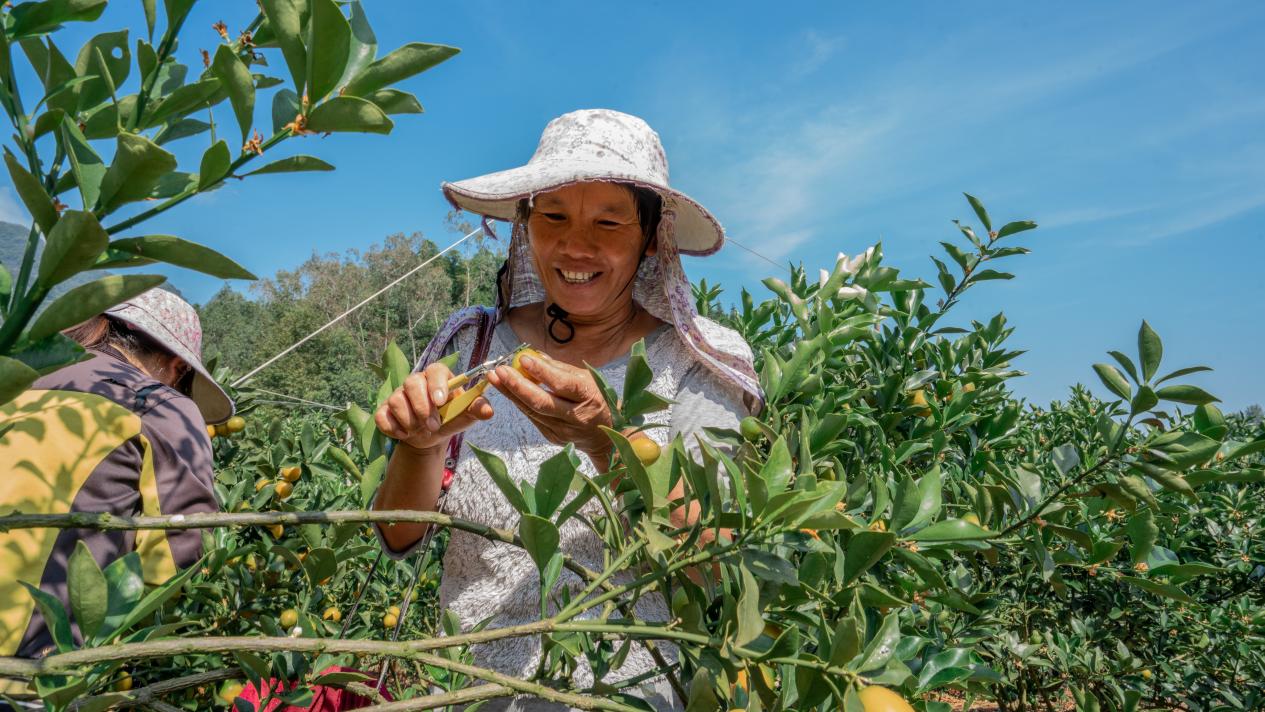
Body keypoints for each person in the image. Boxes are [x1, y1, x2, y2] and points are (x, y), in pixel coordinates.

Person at [372, 109, 762, 710]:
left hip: (627, 694)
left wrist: (610, 443)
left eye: (609, 222)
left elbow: (718, 562)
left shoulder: (696, 361)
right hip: (462, 692)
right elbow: (399, 532)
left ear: (649, 237)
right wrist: (419, 443)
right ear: (525, 225)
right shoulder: (473, 345)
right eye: (552, 216)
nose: (576, 245)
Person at [0, 288, 232, 688]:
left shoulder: (16, 382)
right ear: (176, 366)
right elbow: (176, 555)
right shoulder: (157, 402)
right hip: (31, 669)